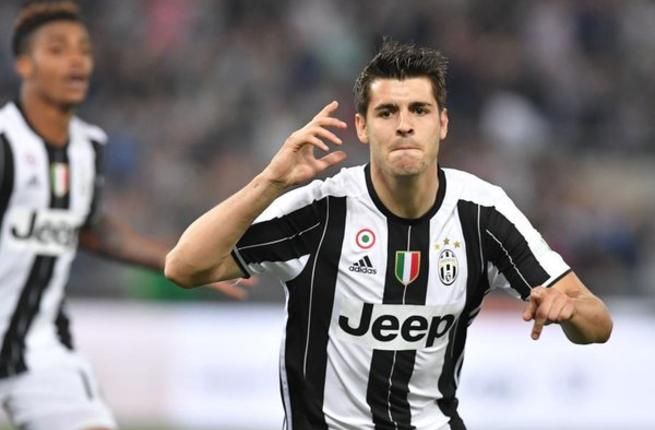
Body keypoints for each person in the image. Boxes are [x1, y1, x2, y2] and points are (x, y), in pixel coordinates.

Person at [165, 39, 613, 430]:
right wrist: (270, 182)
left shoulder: (482, 215)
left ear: (442, 123)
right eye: (386, 112)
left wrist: (570, 310)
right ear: (362, 127)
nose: (404, 124)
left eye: (419, 109)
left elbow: (598, 323)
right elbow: (184, 267)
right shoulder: (321, 211)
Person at [0, 1, 250, 429]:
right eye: (57, 49)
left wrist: (182, 259)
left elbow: (94, 231)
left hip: (40, 349)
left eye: (83, 49)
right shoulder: (6, 143)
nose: (76, 60)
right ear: (24, 65)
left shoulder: (87, 147)